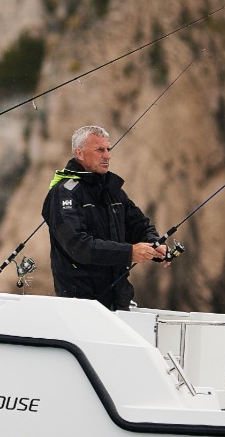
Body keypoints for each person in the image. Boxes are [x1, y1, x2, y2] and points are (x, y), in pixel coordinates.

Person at [41, 125, 166, 309]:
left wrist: (155, 244)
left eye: (108, 149)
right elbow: (79, 246)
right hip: (81, 304)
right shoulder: (64, 193)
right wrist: (129, 252)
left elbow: (140, 225)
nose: (107, 155)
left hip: (119, 301)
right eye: (100, 150)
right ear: (80, 153)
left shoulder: (112, 190)